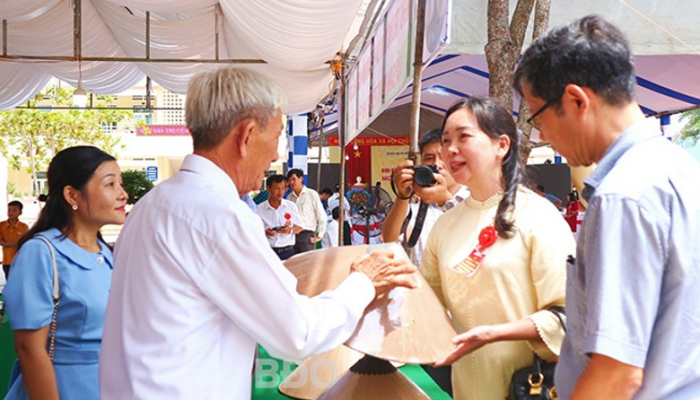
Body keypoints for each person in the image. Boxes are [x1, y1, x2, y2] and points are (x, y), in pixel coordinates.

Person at [99, 67, 417, 400]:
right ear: (247, 134)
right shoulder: (219, 213)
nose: (277, 156)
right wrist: (365, 281)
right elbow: (299, 333)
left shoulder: (154, 204)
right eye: (277, 135)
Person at [514, 15, 700, 400]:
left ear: (576, 100)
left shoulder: (622, 195)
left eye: (538, 118)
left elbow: (617, 373)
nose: (542, 135)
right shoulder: (680, 167)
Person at [420, 97, 575, 400]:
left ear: (501, 145)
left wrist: (495, 333)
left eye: (464, 137)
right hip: (466, 388)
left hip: (528, 388)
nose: (450, 150)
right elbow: (427, 309)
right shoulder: (445, 226)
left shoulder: (538, 216)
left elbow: (570, 316)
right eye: (445, 140)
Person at [3, 146, 127, 400]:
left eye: (120, 184)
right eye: (110, 184)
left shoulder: (106, 254)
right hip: (64, 388)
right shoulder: (41, 253)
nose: (123, 195)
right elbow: (29, 348)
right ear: (72, 195)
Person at [381, 128, 470, 267]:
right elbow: (389, 239)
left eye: (443, 157)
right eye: (429, 158)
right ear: (421, 163)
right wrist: (402, 196)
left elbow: (477, 235)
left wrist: (444, 201)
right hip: (422, 287)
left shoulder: (475, 199)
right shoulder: (414, 210)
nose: (436, 164)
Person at [257, 174, 303, 260]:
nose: (281, 192)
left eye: (284, 188)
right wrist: (265, 232)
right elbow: (255, 231)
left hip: (288, 251)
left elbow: (300, 227)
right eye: (277, 188)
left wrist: (290, 230)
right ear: (268, 188)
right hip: (269, 251)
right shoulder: (259, 209)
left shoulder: (291, 206)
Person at [286, 169, 327, 253]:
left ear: (301, 178)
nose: (292, 182)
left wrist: (319, 235)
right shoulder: (289, 198)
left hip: (306, 235)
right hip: (292, 235)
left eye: (294, 179)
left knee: (307, 263)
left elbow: (322, 215)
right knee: (293, 263)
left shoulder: (311, 194)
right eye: (290, 180)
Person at [0, 200, 29, 280]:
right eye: (9, 210)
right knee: (9, 281)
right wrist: (8, 245)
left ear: (20, 213)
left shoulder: (23, 227)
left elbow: (27, 241)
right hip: (7, 260)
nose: (11, 212)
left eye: (14, 210)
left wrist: (18, 244)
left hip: (20, 260)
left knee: (20, 281)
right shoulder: (1, 226)